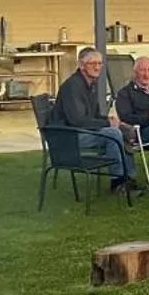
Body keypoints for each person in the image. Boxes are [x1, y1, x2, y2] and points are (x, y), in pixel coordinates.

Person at [58, 47, 139, 191]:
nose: (97, 67)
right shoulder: (73, 86)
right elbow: (77, 121)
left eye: (100, 63)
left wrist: (113, 121)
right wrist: (108, 123)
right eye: (92, 63)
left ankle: (130, 178)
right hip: (67, 136)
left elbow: (93, 116)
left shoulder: (90, 84)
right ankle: (118, 182)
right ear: (81, 65)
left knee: (122, 130)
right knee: (113, 134)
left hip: (80, 131)